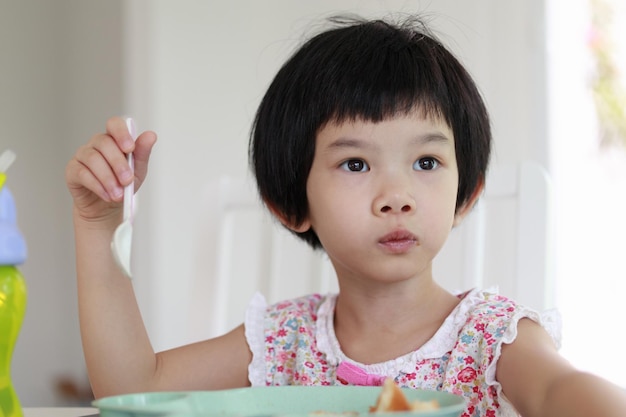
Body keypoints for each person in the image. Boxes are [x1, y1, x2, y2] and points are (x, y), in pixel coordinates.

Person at [65, 15, 626, 417]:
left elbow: (562, 393)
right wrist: (97, 225)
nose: (396, 194)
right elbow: (131, 389)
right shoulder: (284, 342)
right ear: (290, 203)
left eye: (426, 161)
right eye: (355, 163)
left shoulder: (491, 338)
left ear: (467, 192)